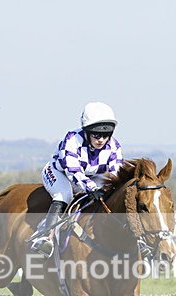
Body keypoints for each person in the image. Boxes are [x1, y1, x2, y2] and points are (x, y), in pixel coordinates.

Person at [29, 102, 124, 257]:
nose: (101, 140)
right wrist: (92, 188)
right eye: (96, 134)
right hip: (60, 173)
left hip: (90, 177)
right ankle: (45, 237)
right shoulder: (72, 140)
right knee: (63, 195)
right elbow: (73, 171)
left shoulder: (114, 146)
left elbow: (115, 175)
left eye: (106, 135)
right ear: (86, 131)